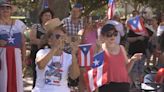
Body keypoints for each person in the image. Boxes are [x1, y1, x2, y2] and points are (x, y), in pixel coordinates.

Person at [32, 18, 80, 92]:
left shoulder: (69, 57)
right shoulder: (42, 52)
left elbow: (74, 76)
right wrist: (54, 48)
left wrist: (73, 54)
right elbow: (41, 65)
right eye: (58, 36)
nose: (61, 39)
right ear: (49, 40)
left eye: (63, 37)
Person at [98, 24, 142, 92]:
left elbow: (126, 70)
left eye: (115, 33)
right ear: (103, 35)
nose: (112, 36)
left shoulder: (121, 48)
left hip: (123, 85)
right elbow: (96, 72)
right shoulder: (100, 49)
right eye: (109, 34)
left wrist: (132, 60)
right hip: (106, 86)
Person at [0, 1, 26, 92]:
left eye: (8, 8)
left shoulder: (19, 24)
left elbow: (23, 43)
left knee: (16, 78)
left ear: (11, 10)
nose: (5, 10)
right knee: (2, 78)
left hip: (16, 56)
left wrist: (23, 59)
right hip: (1, 56)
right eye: (2, 8)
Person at [30, 8, 53, 88]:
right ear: (41, 17)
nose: (47, 17)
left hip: (50, 55)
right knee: (37, 75)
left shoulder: (53, 29)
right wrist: (45, 41)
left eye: (49, 15)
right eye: (45, 15)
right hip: (37, 54)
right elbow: (32, 40)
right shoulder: (36, 26)